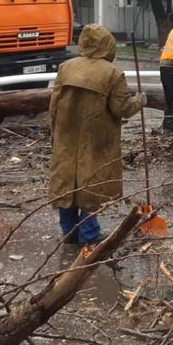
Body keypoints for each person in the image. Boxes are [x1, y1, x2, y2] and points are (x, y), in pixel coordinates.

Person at [48, 24, 144, 246]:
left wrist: (55, 132)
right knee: (92, 183)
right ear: (108, 45)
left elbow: (54, 104)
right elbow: (123, 109)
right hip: (96, 139)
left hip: (66, 135)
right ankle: (89, 235)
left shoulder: (66, 68)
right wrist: (141, 100)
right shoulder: (112, 73)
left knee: (66, 183)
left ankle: (69, 232)